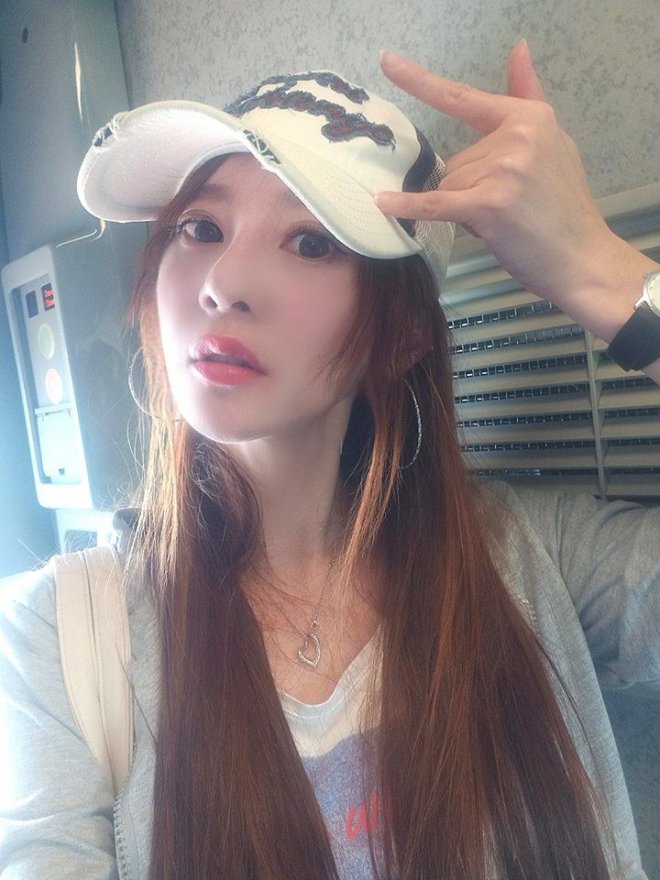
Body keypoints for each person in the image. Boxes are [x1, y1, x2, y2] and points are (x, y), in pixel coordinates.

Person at [1, 41, 659, 880]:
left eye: (311, 242)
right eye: (201, 228)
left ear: (403, 335)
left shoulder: (530, 563)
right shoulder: (58, 637)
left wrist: (599, 270)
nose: (222, 282)